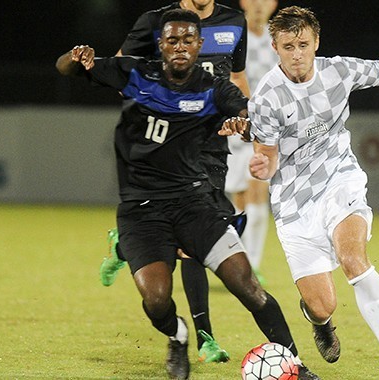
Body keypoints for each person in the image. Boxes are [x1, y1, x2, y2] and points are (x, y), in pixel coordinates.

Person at [56, 9, 320, 380]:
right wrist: (74, 58)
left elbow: (249, 115)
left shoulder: (213, 89)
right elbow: (67, 69)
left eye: (187, 40)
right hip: (141, 210)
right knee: (157, 299)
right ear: (160, 45)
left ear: (199, 44)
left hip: (194, 205)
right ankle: (178, 336)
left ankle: (296, 365)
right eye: (172, 40)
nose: (180, 47)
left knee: (248, 286)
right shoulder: (135, 73)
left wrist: (245, 126)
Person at [243, 6, 379, 380]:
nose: (297, 54)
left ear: (316, 42)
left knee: (353, 258)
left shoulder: (339, 71)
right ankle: (320, 322)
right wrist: (263, 166)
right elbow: (269, 157)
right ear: (275, 47)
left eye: (303, 44)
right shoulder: (266, 98)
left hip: (340, 180)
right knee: (323, 304)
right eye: (288, 46)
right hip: (294, 203)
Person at [99, 0, 250, 363]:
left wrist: (247, 118)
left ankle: (126, 249)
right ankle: (205, 338)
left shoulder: (235, 21)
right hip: (168, 146)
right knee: (200, 234)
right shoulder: (155, 21)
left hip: (212, 144)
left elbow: (237, 78)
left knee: (203, 233)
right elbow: (121, 70)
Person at [224, 0, 278, 285]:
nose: (259, 5)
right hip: (234, 125)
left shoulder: (279, 38)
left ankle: (252, 265)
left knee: (259, 191)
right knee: (239, 199)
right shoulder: (232, 32)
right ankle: (238, 260)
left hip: (266, 127)